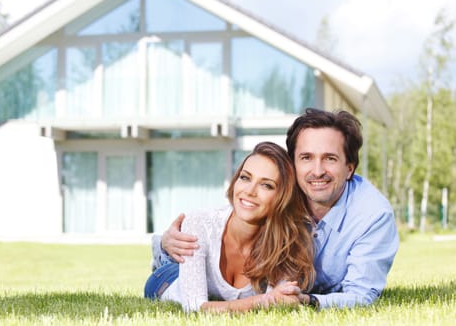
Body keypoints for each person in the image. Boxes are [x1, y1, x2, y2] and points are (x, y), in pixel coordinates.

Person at [156, 108, 399, 309]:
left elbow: (362, 295)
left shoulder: (373, 216)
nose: (317, 171)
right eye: (306, 157)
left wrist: (307, 300)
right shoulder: (286, 192)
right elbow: (229, 218)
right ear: (292, 164)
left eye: (330, 158)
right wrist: (166, 242)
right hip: (187, 272)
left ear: (350, 168)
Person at [144, 142, 315, 313]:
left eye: (266, 185)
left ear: (283, 198)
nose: (249, 191)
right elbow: (194, 307)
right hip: (170, 278)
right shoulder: (200, 222)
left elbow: (279, 300)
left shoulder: (289, 241)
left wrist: (277, 299)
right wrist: (263, 301)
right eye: (245, 177)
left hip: (208, 281)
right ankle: (163, 252)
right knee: (182, 264)